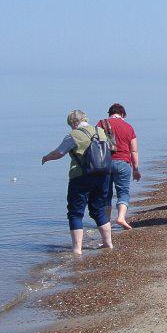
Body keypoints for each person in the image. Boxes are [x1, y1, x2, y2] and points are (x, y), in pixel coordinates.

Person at [40, 109, 113, 256]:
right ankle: (108, 243)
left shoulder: (73, 135)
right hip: (103, 175)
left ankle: (77, 249)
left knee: (75, 213)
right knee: (98, 209)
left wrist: (46, 157)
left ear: (73, 122)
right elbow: (111, 148)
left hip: (81, 177)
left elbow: (59, 153)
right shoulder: (100, 131)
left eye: (70, 124)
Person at [102, 103, 141, 229]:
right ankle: (121, 217)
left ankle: (106, 222)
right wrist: (136, 169)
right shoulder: (128, 127)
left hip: (104, 163)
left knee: (106, 193)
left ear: (110, 113)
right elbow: (134, 150)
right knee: (123, 191)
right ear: (123, 114)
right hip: (123, 163)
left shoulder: (101, 124)